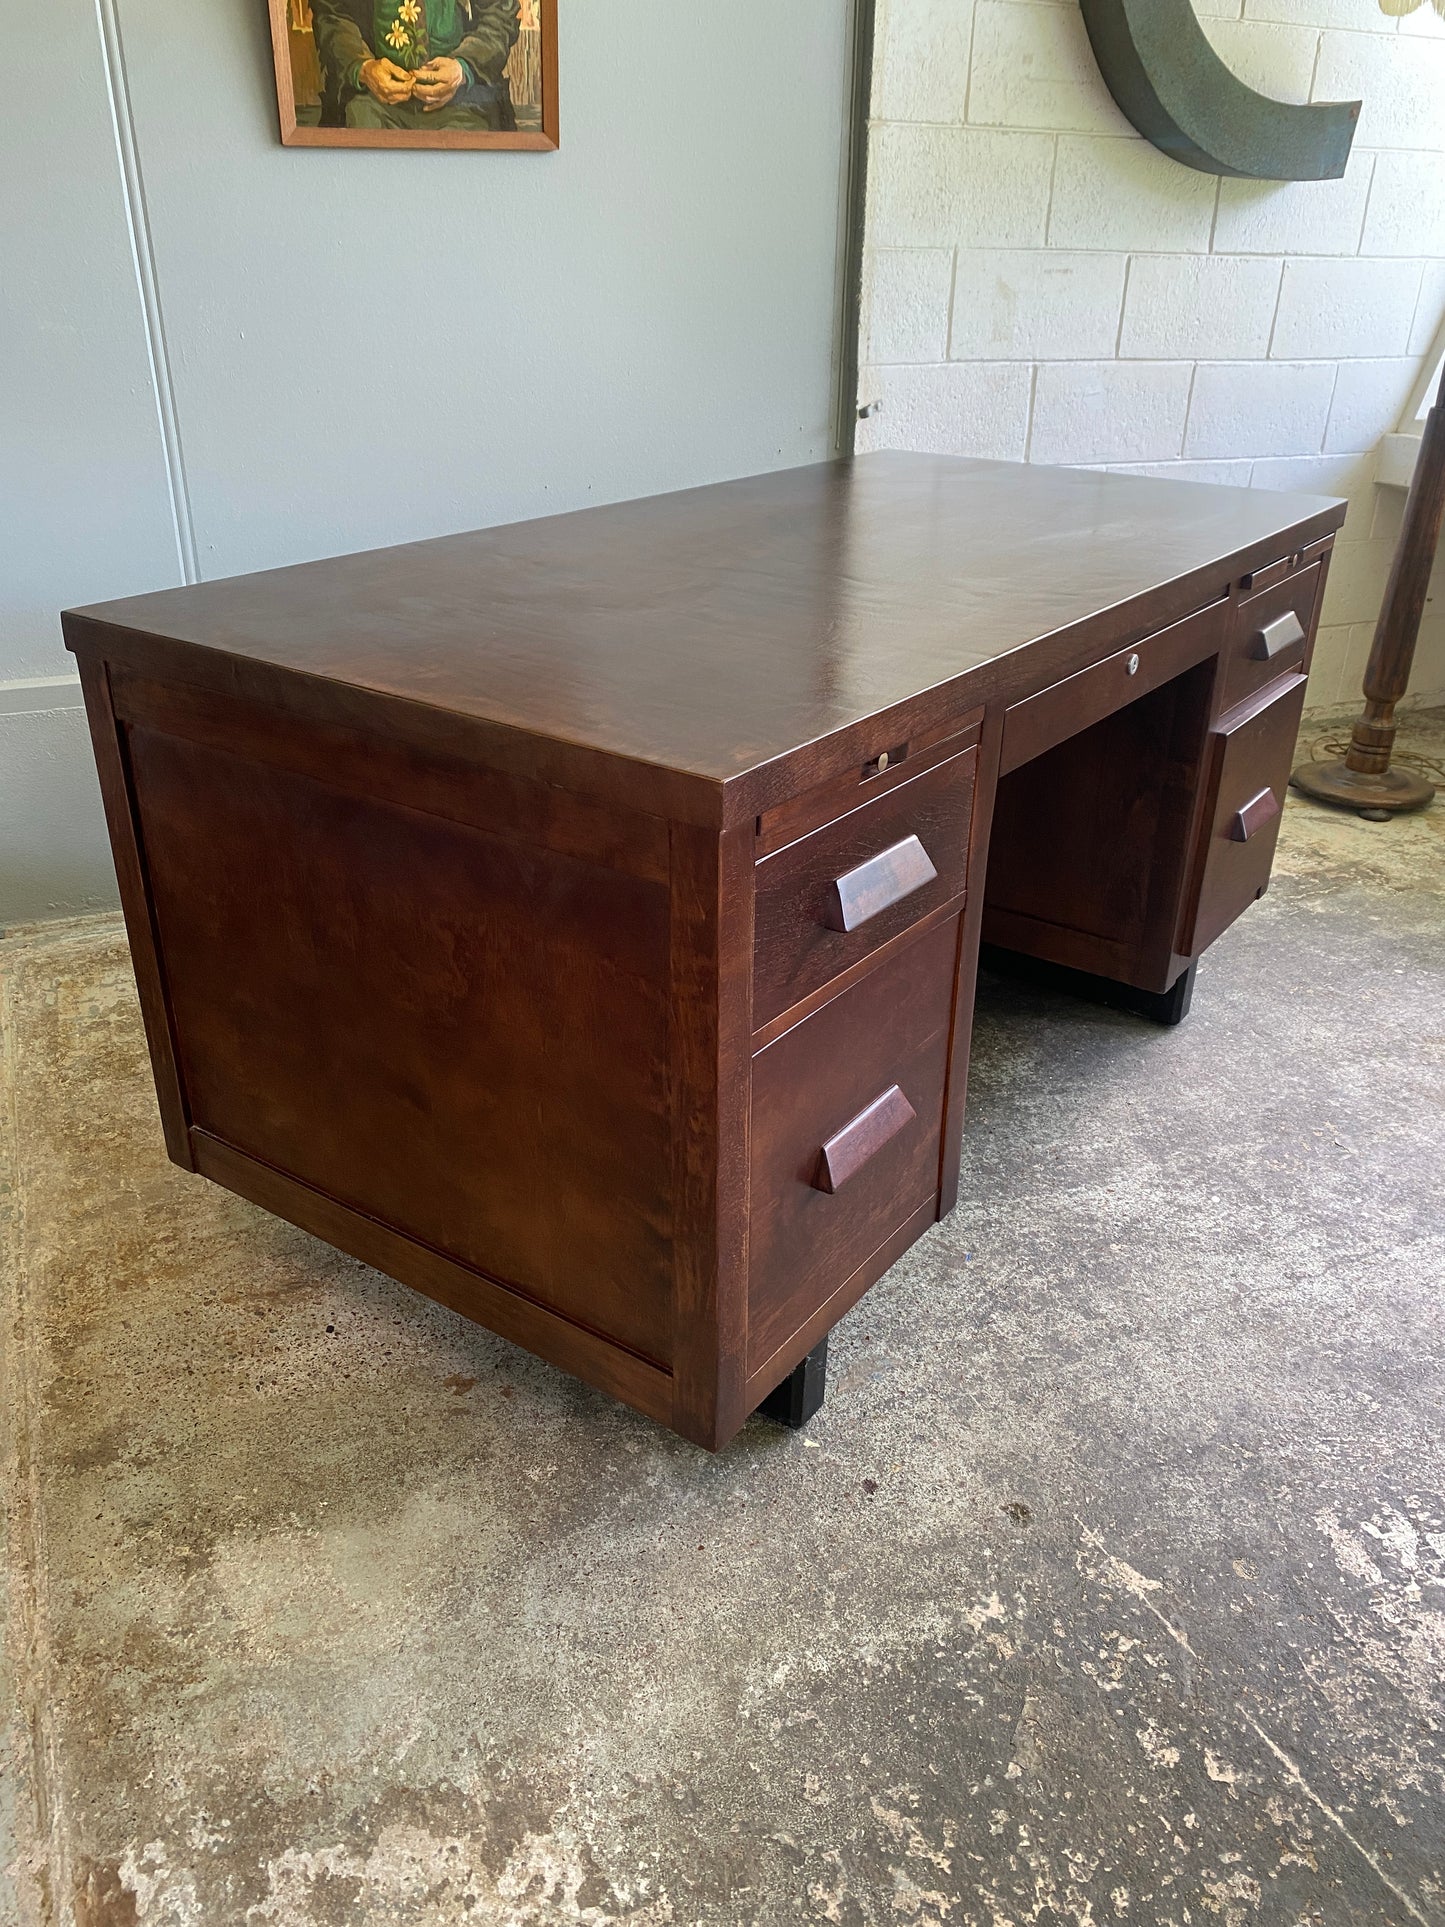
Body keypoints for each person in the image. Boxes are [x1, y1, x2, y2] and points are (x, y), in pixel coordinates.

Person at [310, 0, 520, 132]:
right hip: (370, 100)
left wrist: (462, 68)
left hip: (464, 101)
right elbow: (331, 14)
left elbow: (500, 18)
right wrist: (363, 67)